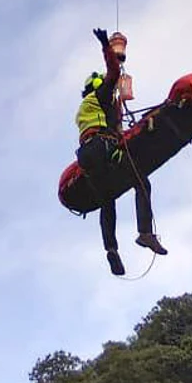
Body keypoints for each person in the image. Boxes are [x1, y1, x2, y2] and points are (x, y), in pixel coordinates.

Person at [75, 28, 166, 275]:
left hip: (87, 155)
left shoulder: (85, 107)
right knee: (141, 181)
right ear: (98, 85)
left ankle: (111, 250)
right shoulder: (101, 96)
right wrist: (106, 45)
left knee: (107, 201)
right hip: (103, 147)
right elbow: (114, 72)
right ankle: (145, 233)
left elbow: (109, 124)